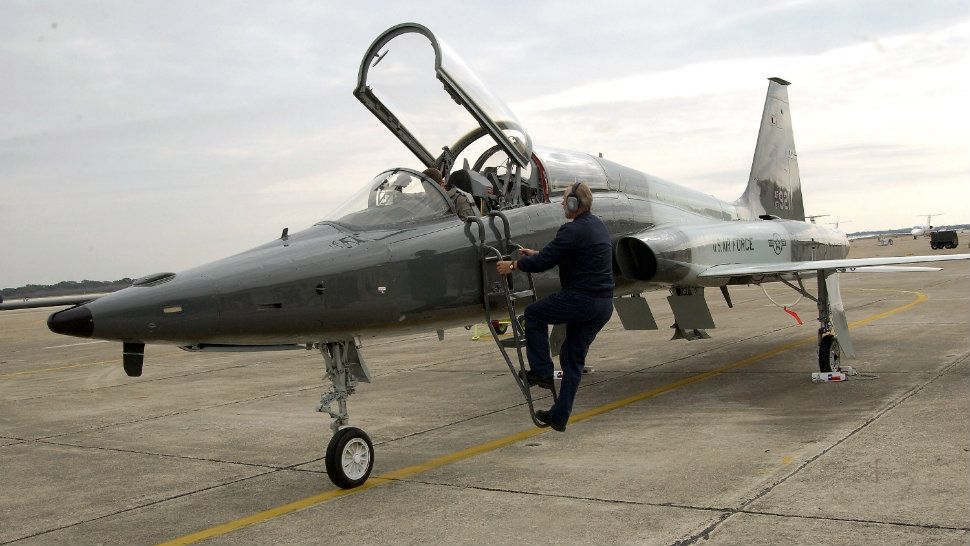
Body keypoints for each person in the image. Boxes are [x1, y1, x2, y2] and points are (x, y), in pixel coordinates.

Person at [495, 182, 614, 432]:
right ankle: (559, 416)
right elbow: (564, 254)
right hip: (602, 305)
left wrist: (513, 266)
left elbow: (545, 263)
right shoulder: (597, 226)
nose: (561, 204)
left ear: (574, 204)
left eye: (565, 200)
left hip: (580, 299)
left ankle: (540, 371)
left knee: (533, 314)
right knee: (573, 360)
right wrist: (536, 253)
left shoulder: (571, 230)